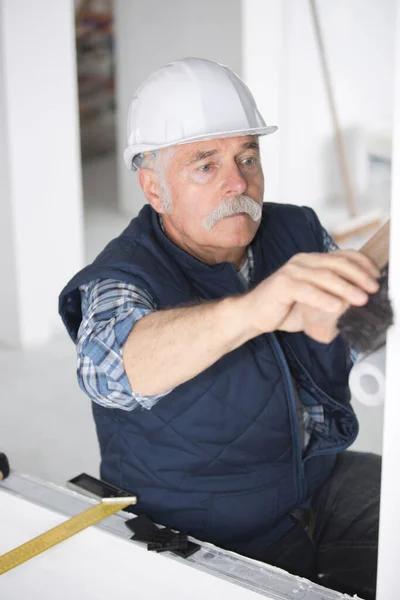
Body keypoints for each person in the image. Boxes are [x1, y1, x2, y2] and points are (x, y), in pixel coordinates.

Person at [59, 58, 381, 599]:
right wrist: (258, 308)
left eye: (247, 156)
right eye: (205, 165)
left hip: (314, 485)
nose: (238, 181)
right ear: (154, 188)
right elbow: (109, 367)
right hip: (200, 533)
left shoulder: (296, 227)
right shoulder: (123, 277)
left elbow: (354, 318)